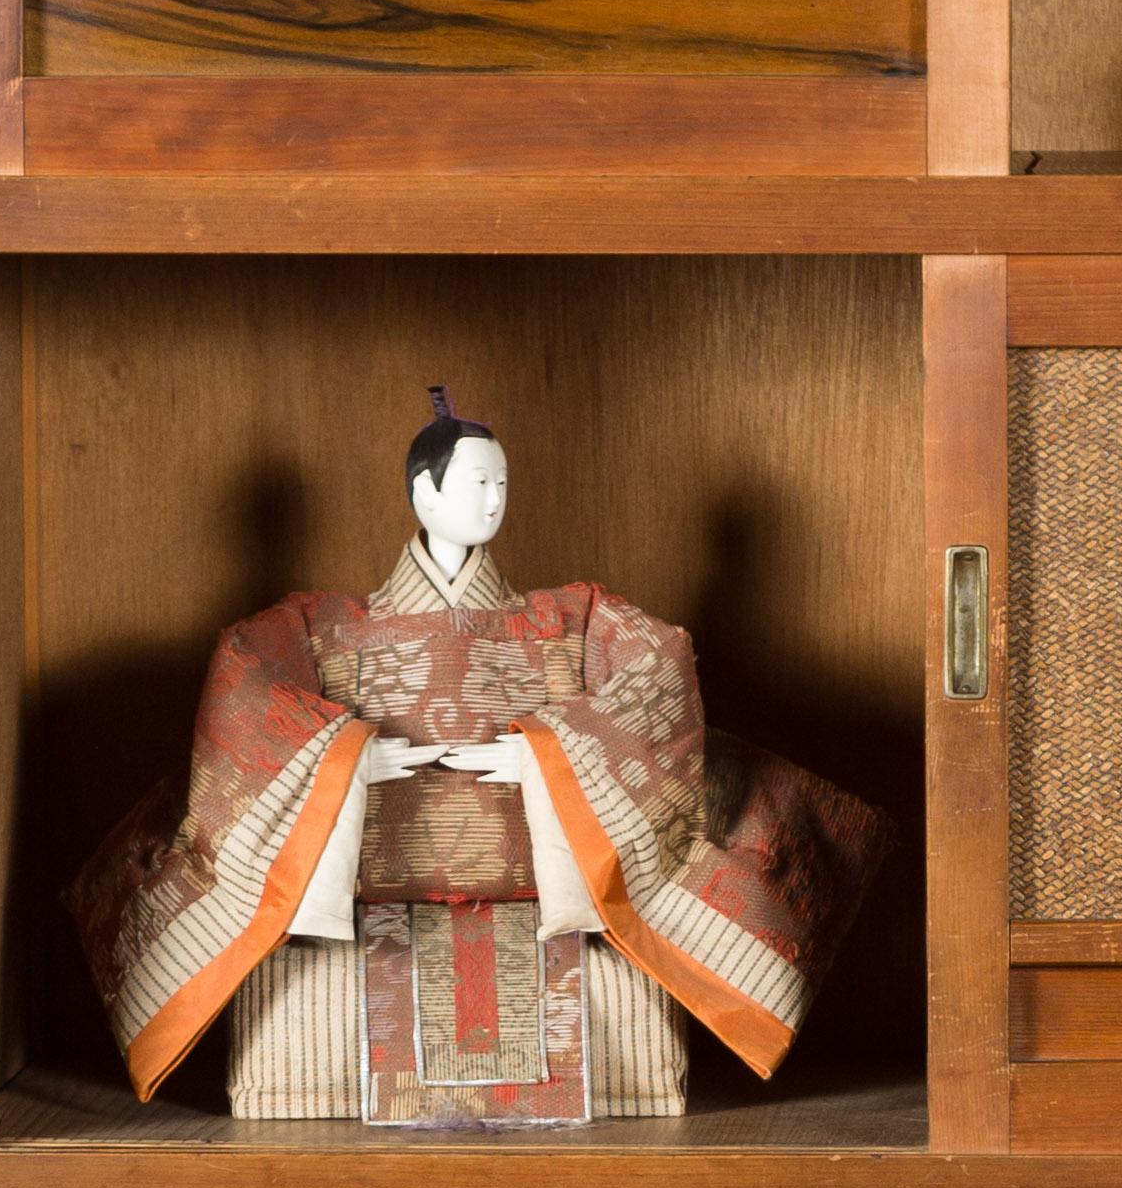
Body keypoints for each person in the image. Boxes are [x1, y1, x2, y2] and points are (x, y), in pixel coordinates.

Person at [69, 390, 888, 1127]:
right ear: (423, 494)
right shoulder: (322, 630)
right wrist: (344, 760)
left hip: (553, 897)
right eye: (476, 483)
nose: (494, 499)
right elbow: (243, 678)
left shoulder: (578, 620)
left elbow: (657, 669)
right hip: (361, 898)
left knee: (745, 803)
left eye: (502, 483)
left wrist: (550, 757)